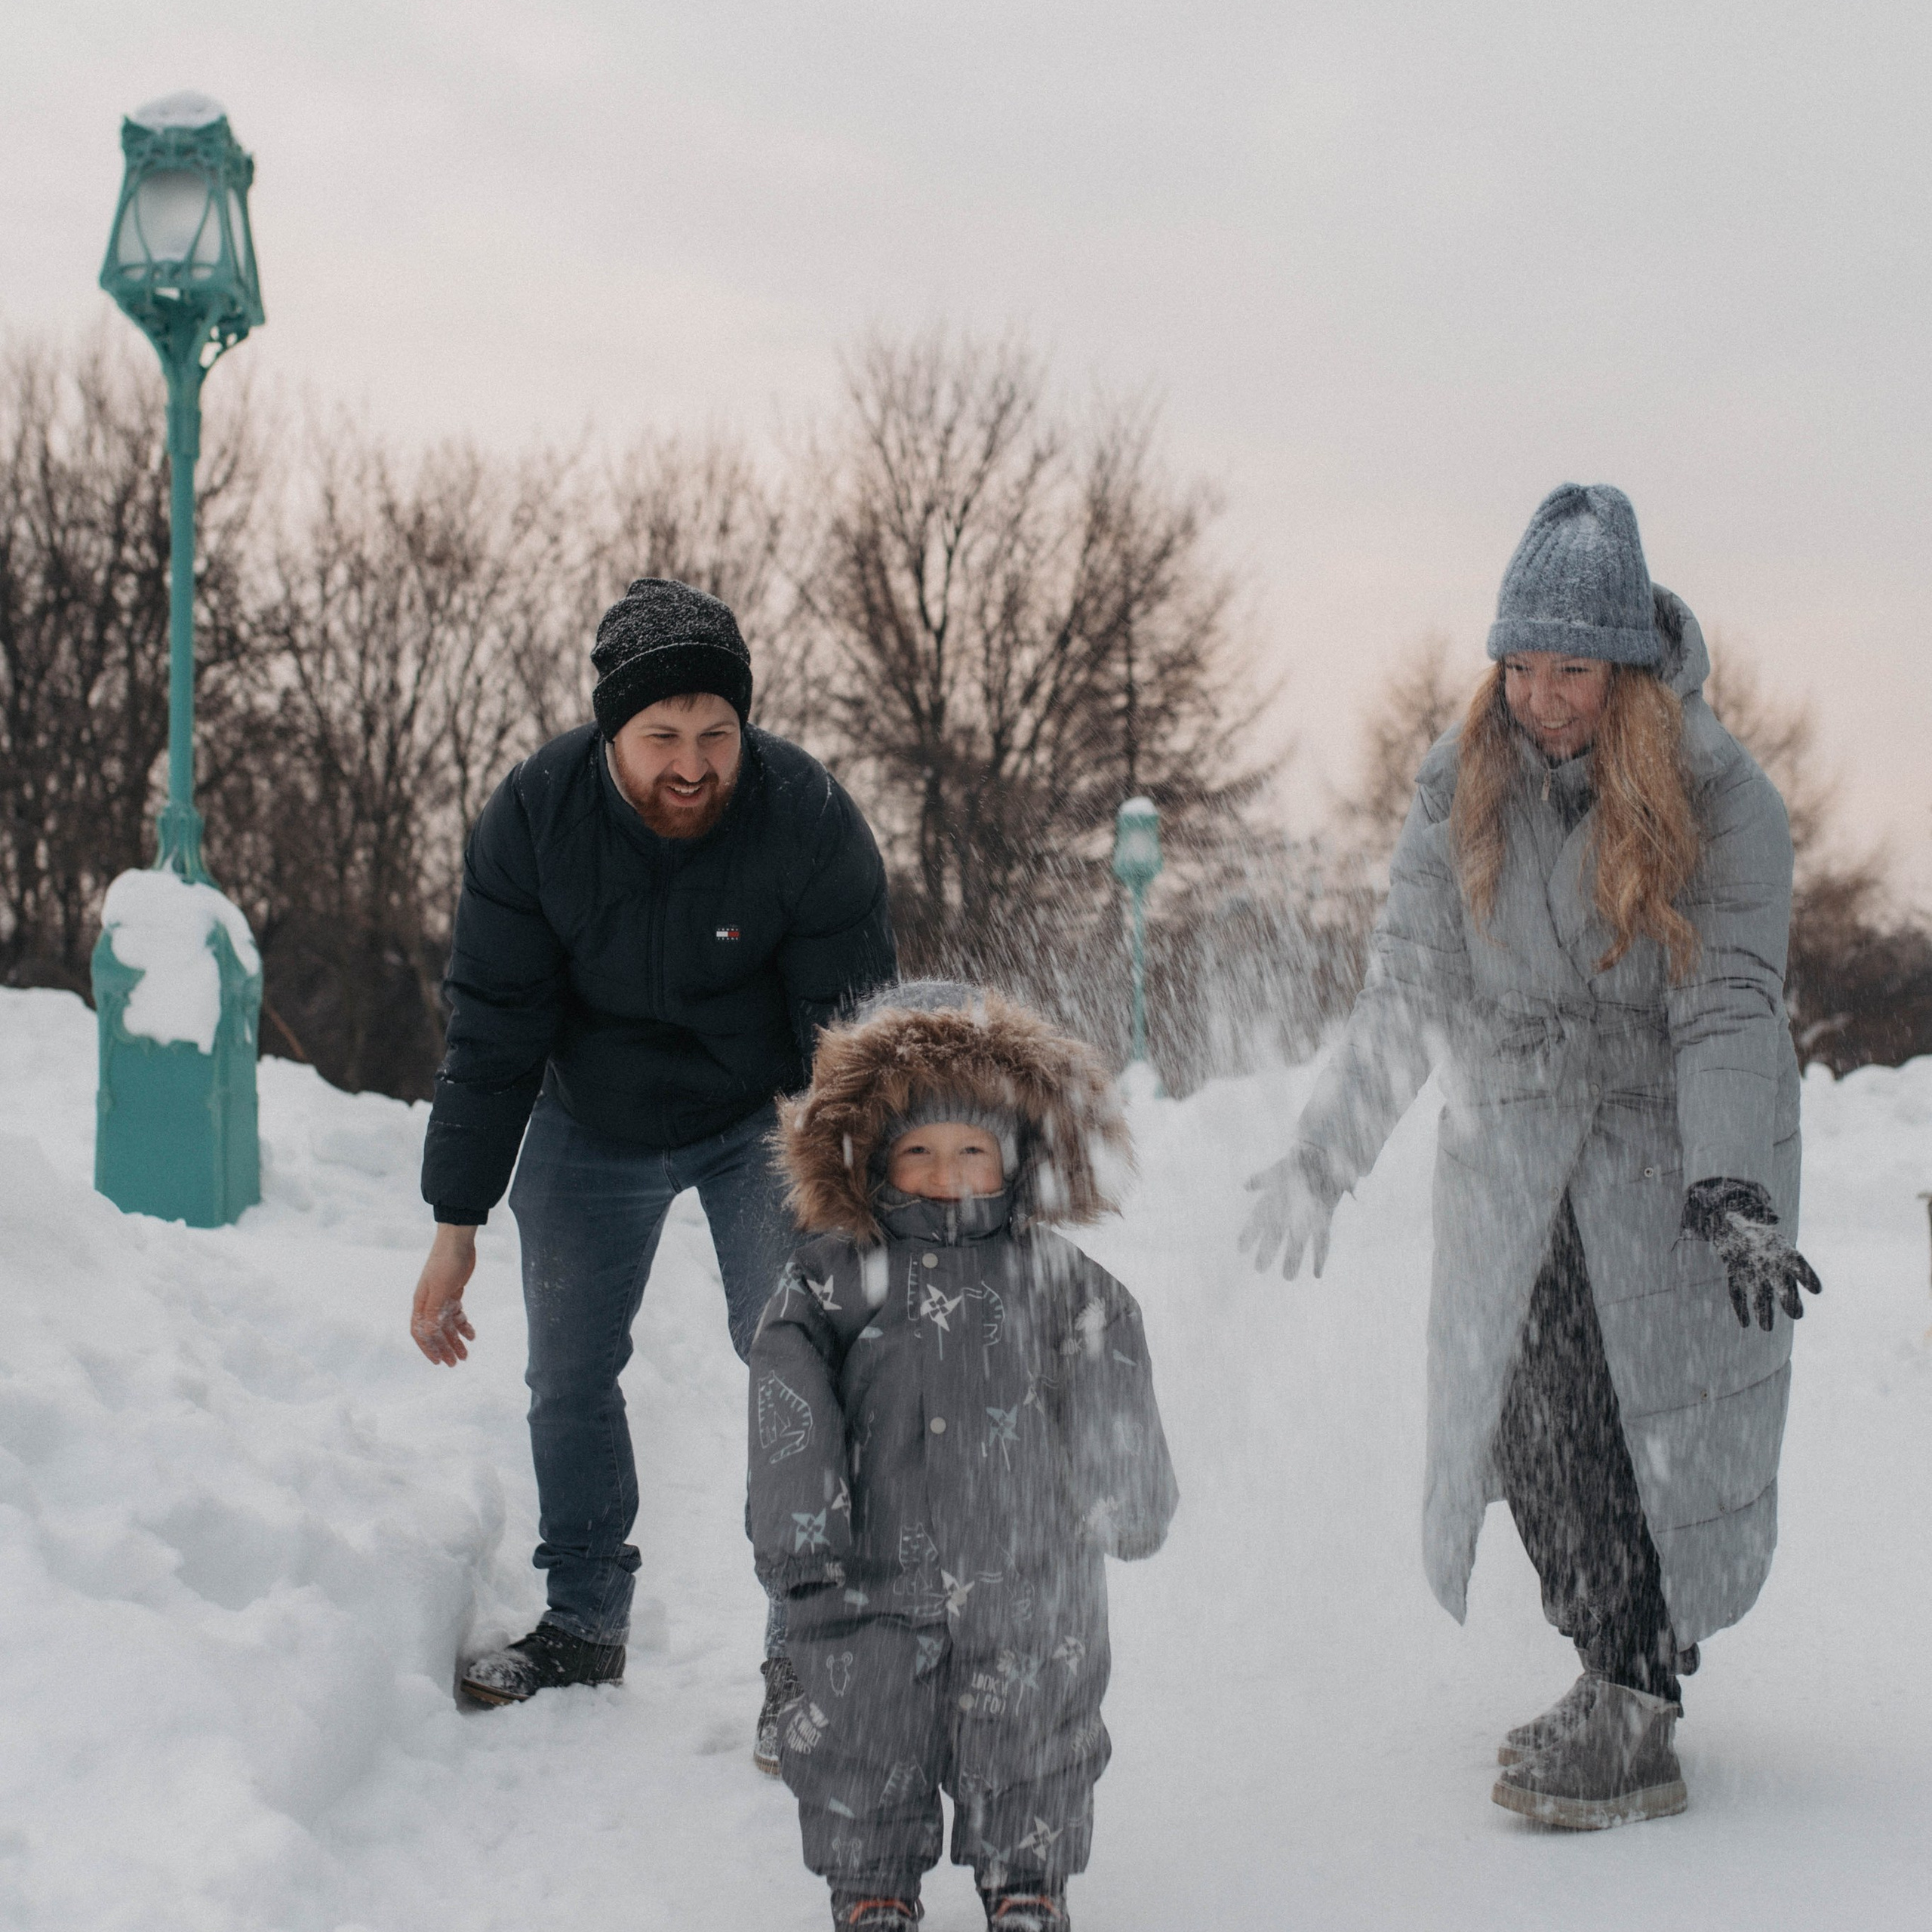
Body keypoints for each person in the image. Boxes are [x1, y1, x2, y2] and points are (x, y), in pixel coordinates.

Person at [1243, 484, 1823, 1830]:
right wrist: (1324, 1158)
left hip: (1659, 1141)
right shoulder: (1464, 783)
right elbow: (1407, 987)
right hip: (1509, 1140)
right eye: (1521, 665)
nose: (1542, 697)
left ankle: (1634, 1700)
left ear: (1626, 668)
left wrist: (1730, 1180)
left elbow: (1731, 999)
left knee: (1633, 1412)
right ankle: (1609, 1656)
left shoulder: (1721, 798)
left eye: (1571, 670)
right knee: (1520, 1405)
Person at [407, 576, 896, 1731]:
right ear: (609, 731)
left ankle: (809, 1652)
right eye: (662, 736)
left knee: (797, 1359)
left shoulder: (808, 819)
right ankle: (581, 1623)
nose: (692, 763)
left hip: (758, 1117)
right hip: (588, 1117)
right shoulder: (534, 819)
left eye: (717, 734)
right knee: (568, 1374)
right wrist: (454, 1224)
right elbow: (492, 1030)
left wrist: (861, 1200)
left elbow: (852, 1045)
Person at [748, 983, 1177, 1932]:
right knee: (862, 1737)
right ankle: (871, 1889)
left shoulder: (1056, 1279)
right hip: (866, 1572)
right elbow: (787, 1393)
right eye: (918, 1152)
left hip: (1027, 1571)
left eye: (970, 1151)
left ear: (1016, 1156)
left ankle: (1028, 1884)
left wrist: (1123, 1487)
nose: (947, 1174)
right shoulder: (827, 1282)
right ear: (871, 1159)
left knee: (1036, 1734)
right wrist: (800, 1523)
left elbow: (1110, 1361)